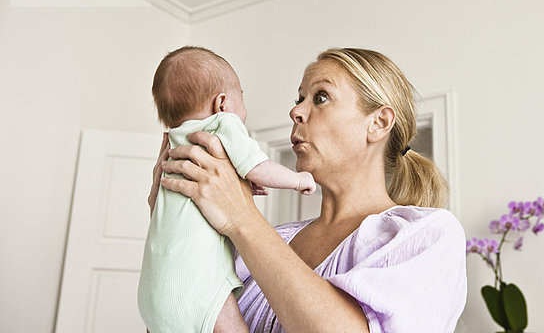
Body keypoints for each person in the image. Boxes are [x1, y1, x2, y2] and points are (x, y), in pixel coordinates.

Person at [149, 48, 467, 332]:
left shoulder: (426, 235)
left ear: (379, 123)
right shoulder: (269, 240)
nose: (296, 112)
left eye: (321, 97)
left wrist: (240, 216)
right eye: (299, 99)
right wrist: (173, 226)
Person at [138, 46, 316, 333]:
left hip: (153, 294)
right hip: (200, 285)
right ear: (222, 103)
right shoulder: (222, 123)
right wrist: (299, 180)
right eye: (241, 97)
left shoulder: (173, 146)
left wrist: (238, 181)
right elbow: (257, 165)